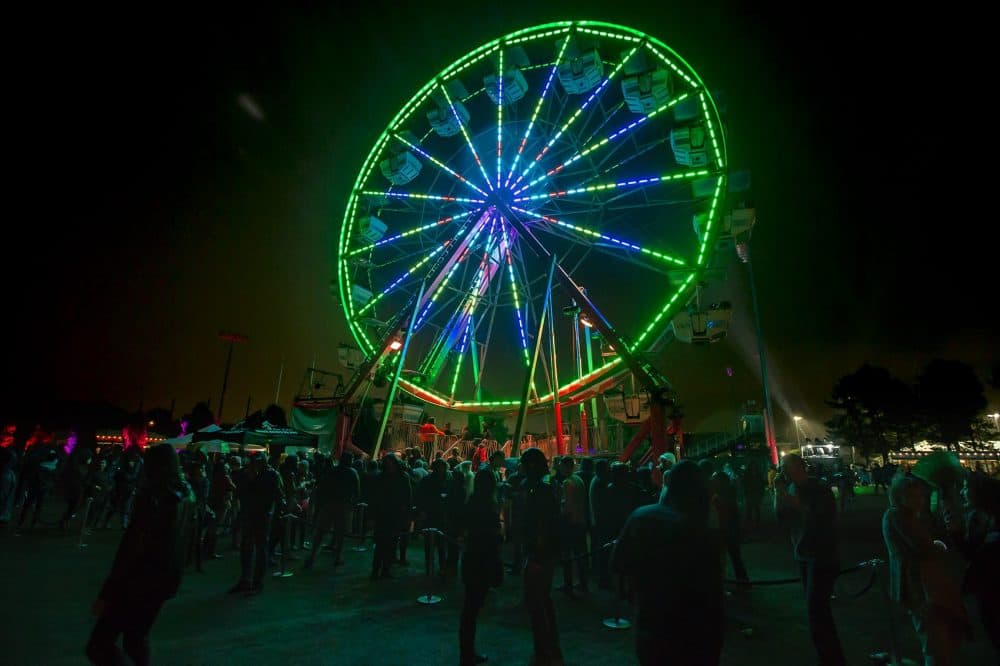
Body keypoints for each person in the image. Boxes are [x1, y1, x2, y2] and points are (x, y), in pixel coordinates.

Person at [86, 444, 194, 666]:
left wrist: (108, 591)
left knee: (100, 645)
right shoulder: (187, 494)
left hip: (138, 580)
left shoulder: (154, 496)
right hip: (166, 580)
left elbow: (133, 547)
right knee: (136, 638)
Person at [611, 460, 723, 665]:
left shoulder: (640, 517)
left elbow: (618, 564)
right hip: (694, 631)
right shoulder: (702, 533)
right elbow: (713, 593)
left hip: (650, 624)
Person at [884, 474, 970, 665]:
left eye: (920, 496)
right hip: (918, 585)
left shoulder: (909, 516)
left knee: (937, 636)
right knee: (934, 640)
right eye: (912, 497)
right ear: (899, 496)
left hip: (924, 583)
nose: (919, 501)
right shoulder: (898, 516)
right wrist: (939, 545)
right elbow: (923, 548)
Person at [774, 453, 846, 665]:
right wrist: (778, 493)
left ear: (799, 467)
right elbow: (781, 518)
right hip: (803, 553)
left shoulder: (817, 488)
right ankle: (827, 656)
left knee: (818, 610)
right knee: (814, 609)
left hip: (821, 554)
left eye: (786, 466)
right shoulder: (791, 489)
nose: (783, 471)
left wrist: (786, 496)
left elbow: (812, 514)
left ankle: (832, 659)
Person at [518, 447, 563, 665]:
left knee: (538, 602)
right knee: (542, 601)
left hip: (540, 555)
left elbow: (542, 526)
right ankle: (548, 646)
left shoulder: (541, 492)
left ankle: (545, 649)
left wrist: (536, 555)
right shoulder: (541, 488)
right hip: (539, 553)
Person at [458, 468, 503, 665]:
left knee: (469, 608)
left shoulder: (471, 502)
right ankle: (468, 654)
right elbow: (493, 535)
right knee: (472, 608)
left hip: (471, 558)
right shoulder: (488, 505)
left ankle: (467, 652)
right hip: (483, 560)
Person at [229, 454, 282, 596]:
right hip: (250, 514)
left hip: (262, 516)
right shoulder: (247, 474)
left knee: (259, 548)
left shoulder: (271, 475)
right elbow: (241, 492)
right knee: (247, 547)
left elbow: (277, 496)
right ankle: (246, 580)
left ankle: (256, 582)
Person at [558, 457, 588, 594]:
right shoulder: (579, 480)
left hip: (570, 522)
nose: (560, 468)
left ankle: (568, 584)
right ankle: (583, 583)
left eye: (561, 466)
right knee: (580, 554)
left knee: (567, 555)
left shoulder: (567, 482)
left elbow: (567, 506)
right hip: (580, 521)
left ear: (567, 467)